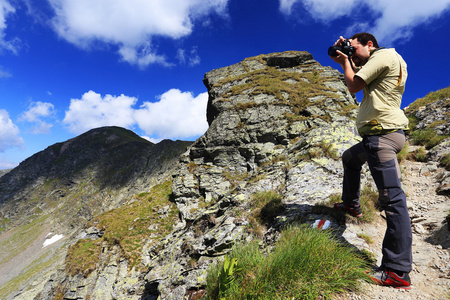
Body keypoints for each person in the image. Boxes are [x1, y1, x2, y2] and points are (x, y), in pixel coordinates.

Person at [330, 32, 412, 289]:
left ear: (369, 44)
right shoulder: (385, 61)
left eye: (354, 48)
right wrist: (347, 57)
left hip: (381, 138)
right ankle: (351, 205)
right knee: (350, 158)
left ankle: (397, 271)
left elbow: (353, 84)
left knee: (392, 200)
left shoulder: (385, 55)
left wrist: (346, 63)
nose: (352, 53)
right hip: (378, 137)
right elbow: (360, 73)